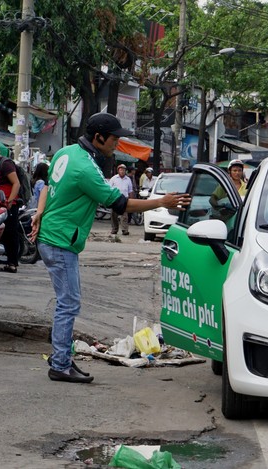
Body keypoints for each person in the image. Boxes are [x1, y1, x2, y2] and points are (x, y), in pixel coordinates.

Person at [29, 112, 191, 384]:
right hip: (60, 241)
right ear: (98, 137)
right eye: (114, 138)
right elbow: (122, 205)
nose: (117, 143)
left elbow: (47, 187)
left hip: (53, 236)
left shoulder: (66, 153)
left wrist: (39, 213)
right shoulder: (86, 168)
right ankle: (59, 364)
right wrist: (162, 202)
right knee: (68, 304)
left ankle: (62, 360)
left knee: (67, 302)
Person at [0, 141, 21, 273]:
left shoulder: (5, 164)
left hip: (9, 204)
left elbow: (16, 183)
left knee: (10, 232)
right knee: (1, 232)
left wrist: (10, 201)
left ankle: (12, 264)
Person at [108, 163, 133, 235]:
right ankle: (114, 229)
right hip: (115, 198)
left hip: (125, 199)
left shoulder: (128, 179)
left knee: (124, 216)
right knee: (114, 215)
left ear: (125, 171)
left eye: (123, 170)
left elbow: (130, 190)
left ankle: (125, 230)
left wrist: (131, 199)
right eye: (120, 170)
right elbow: (109, 188)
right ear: (118, 171)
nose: (122, 171)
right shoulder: (114, 178)